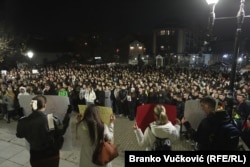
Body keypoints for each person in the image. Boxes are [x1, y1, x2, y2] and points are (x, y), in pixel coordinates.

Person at [16, 95, 71, 167]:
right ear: (44, 105)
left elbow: (19, 134)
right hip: (51, 155)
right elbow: (61, 131)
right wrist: (68, 114)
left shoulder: (24, 121)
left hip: (35, 156)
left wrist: (21, 117)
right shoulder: (50, 119)